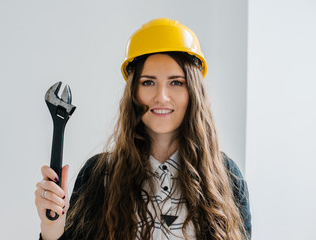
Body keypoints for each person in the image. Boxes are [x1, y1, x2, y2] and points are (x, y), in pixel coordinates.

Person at [35, 18, 251, 240]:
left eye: (176, 82)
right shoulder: (98, 176)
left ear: (194, 92)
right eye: (148, 82)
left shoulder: (226, 177)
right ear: (133, 93)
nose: (161, 96)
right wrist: (52, 228)